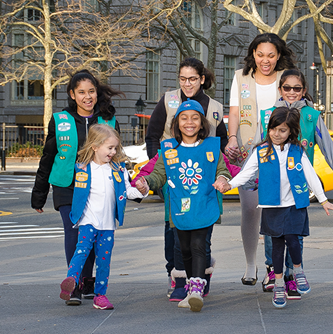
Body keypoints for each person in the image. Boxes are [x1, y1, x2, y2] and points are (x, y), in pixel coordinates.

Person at [214, 107, 333, 309]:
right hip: (271, 205)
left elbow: (310, 176)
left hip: (294, 205)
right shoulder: (261, 151)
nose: (277, 134)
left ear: (291, 131)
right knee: (277, 246)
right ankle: (279, 284)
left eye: (282, 130)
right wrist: (230, 184)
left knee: (293, 240)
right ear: (268, 128)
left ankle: (298, 271)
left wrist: (324, 200)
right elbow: (247, 173)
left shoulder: (297, 151)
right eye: (273, 129)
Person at [257, 69, 333, 296]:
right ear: (280, 89)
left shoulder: (312, 116)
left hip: (298, 186)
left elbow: (329, 149)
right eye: (287, 88)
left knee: (294, 234)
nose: (291, 92)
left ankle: (292, 275)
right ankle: (273, 270)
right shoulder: (268, 114)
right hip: (272, 183)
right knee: (272, 233)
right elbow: (258, 145)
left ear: (304, 91)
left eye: (296, 88)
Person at [32, 70, 123, 305]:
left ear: (96, 92)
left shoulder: (108, 120)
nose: (87, 97)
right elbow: (48, 156)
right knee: (75, 233)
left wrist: (128, 188)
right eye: (81, 92)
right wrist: (39, 195)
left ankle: (88, 281)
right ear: (72, 94)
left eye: (91, 91)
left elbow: (118, 156)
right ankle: (75, 283)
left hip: (99, 187)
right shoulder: (60, 120)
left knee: (95, 233)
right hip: (67, 186)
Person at [141, 58, 227, 301]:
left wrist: (223, 175)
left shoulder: (214, 108)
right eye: (182, 79)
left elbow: (220, 148)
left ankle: (199, 281)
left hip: (203, 189)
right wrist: (160, 174)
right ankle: (181, 278)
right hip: (175, 183)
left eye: (192, 78)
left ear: (201, 79)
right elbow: (153, 137)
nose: (187, 83)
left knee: (201, 238)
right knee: (178, 238)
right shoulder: (168, 101)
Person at [224, 33, 297, 286]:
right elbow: (234, 111)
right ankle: (250, 264)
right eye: (260, 54)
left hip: (280, 153)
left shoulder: (286, 77)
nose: (265, 60)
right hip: (248, 152)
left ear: (279, 56)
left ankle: (276, 268)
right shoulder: (240, 77)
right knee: (250, 209)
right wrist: (232, 137)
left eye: (271, 55)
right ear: (252, 54)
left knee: (275, 209)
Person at [59, 124, 145, 310]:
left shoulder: (118, 169)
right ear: (95, 146)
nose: (113, 152)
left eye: (115, 148)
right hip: (88, 222)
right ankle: (72, 281)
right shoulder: (81, 168)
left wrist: (141, 191)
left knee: (104, 262)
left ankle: (101, 296)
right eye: (110, 148)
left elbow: (127, 191)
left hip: (107, 225)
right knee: (80, 252)